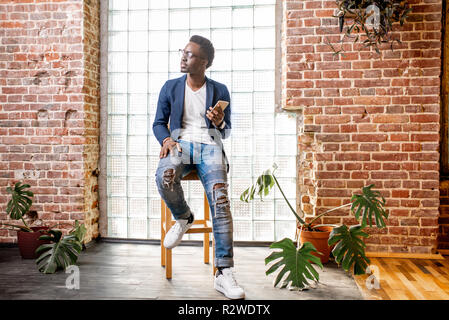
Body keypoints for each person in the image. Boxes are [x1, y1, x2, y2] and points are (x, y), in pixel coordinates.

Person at [152, 35, 245, 300]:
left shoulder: (220, 90)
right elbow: (159, 122)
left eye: (190, 54)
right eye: (183, 52)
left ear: (204, 63)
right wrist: (167, 139)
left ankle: (223, 272)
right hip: (181, 145)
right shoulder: (170, 87)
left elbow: (225, 133)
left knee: (221, 199)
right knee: (165, 176)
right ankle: (183, 217)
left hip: (211, 147)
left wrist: (219, 122)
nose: (183, 57)